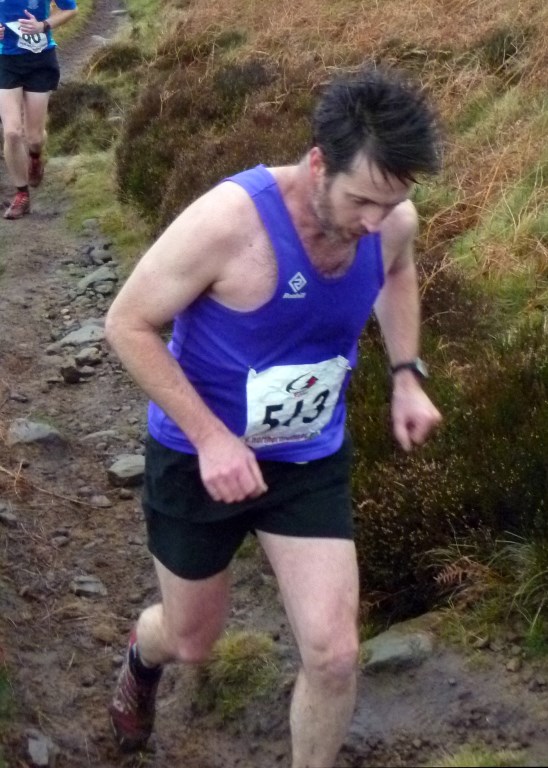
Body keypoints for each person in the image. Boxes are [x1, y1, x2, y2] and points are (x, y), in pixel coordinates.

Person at [105, 64, 443, 767]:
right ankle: (143, 654)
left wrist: (406, 374)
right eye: (360, 200)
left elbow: (397, 270)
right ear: (318, 163)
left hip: (307, 456)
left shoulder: (391, 219)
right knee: (192, 640)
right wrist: (210, 438)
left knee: (335, 654)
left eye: (391, 203)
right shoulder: (228, 223)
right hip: (198, 457)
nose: (374, 222)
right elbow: (127, 323)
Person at [0, 0, 78, 220]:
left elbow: (71, 9)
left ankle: (35, 157)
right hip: (5, 61)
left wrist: (43, 25)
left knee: (33, 137)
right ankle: (21, 194)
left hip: (40, 60)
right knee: (12, 132)